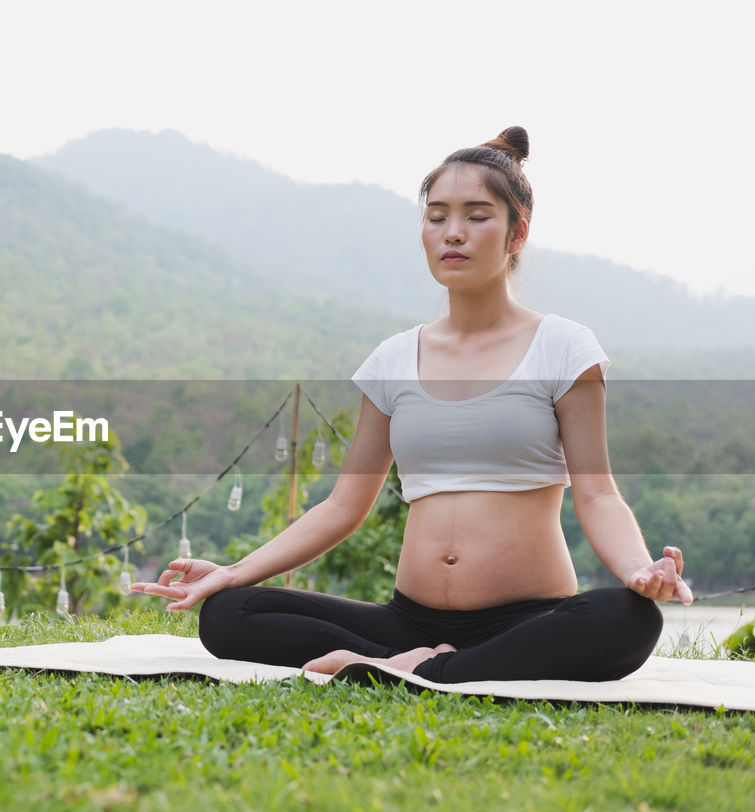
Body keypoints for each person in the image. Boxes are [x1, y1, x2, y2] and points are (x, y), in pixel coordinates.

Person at [132, 126, 691, 683]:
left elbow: (597, 493)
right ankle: (412, 664)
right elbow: (343, 506)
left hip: (528, 617)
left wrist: (639, 571)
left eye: (477, 216)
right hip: (408, 619)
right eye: (437, 216)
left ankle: (421, 669)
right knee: (232, 613)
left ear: (516, 234)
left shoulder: (563, 347)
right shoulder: (393, 359)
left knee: (626, 617)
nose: (454, 233)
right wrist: (232, 572)